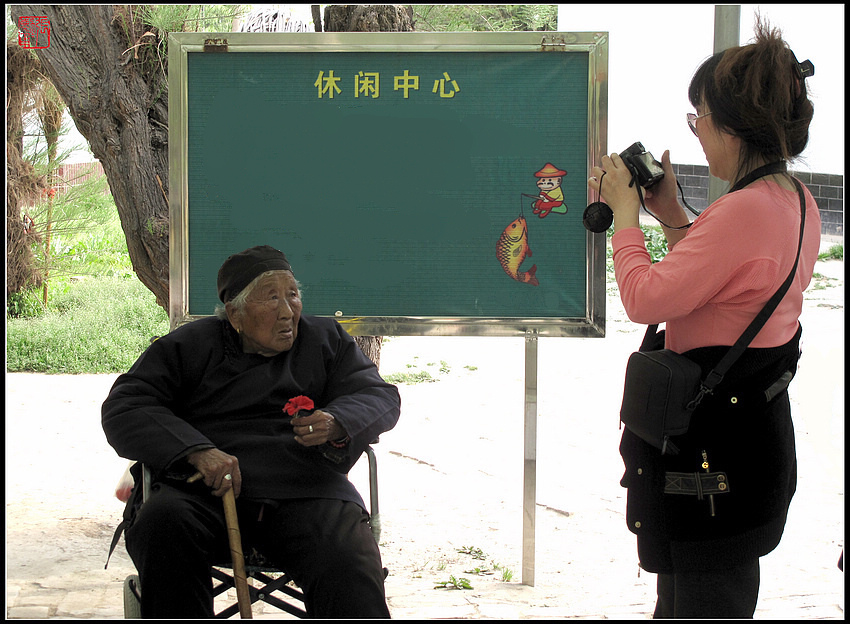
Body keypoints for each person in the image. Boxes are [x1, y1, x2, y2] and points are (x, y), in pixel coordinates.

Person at [587, 17, 820, 618]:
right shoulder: (795, 198)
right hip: (750, 440)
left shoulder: (741, 211)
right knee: (707, 597)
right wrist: (672, 218)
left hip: (712, 461)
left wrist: (626, 216)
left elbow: (644, 297)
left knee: (701, 602)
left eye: (700, 119)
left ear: (734, 129)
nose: (696, 134)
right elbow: (730, 288)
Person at [102, 244, 401, 618]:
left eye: (292, 295)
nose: (288, 310)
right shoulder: (190, 346)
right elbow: (126, 405)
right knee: (164, 524)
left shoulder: (325, 340)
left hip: (307, 490)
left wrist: (337, 420)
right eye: (271, 298)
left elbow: (379, 396)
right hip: (203, 492)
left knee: (347, 553)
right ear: (235, 314)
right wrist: (196, 450)